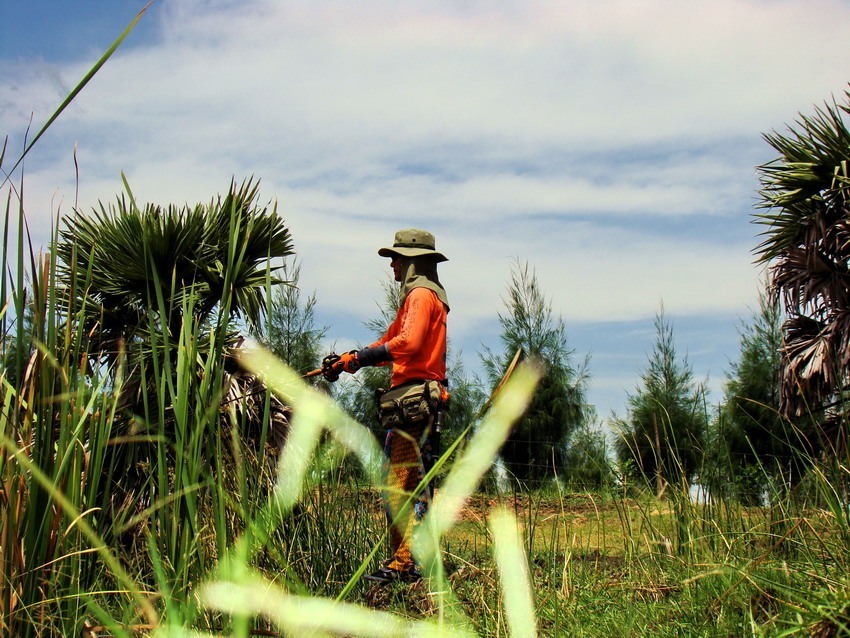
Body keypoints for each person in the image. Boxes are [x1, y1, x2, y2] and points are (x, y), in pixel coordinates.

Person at [321, 228, 450, 585]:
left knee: (405, 485)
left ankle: (407, 564)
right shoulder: (416, 298)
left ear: (412, 262)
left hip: (416, 403)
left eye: (396, 258)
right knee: (403, 484)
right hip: (407, 402)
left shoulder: (422, 296)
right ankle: (407, 562)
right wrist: (349, 360)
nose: (392, 264)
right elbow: (389, 341)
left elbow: (408, 344)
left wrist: (361, 358)